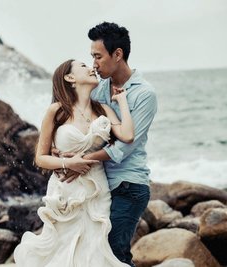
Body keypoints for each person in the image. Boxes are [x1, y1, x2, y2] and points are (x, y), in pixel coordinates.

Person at [13, 58, 133, 267]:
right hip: (65, 190)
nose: (91, 68)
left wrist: (122, 101)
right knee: (62, 248)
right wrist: (68, 163)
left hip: (97, 188)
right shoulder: (57, 111)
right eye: (83, 66)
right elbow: (40, 158)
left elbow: (128, 135)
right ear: (70, 78)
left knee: (95, 248)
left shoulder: (103, 109)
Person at [61, 22, 157, 267]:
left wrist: (82, 161)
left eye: (98, 56)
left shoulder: (144, 94)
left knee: (116, 253)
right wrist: (61, 152)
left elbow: (124, 147)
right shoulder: (99, 88)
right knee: (96, 254)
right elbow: (81, 122)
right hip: (99, 185)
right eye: (91, 57)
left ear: (117, 54)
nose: (93, 63)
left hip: (129, 185)